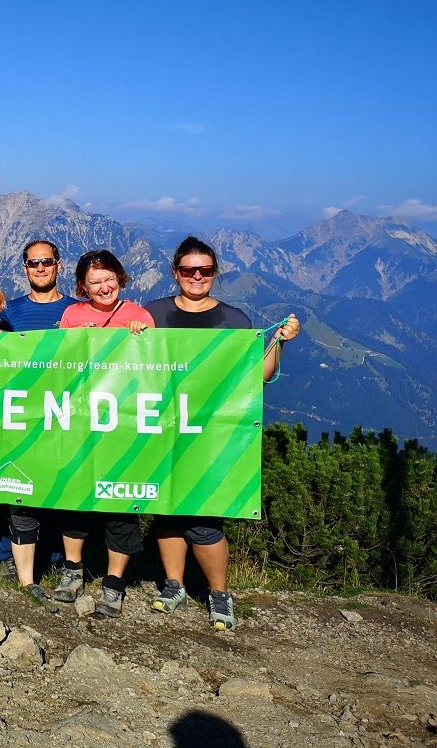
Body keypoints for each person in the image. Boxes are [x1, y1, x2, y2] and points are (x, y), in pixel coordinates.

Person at [145, 236, 301, 630]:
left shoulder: (234, 320)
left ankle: (219, 593)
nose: (197, 276)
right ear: (175, 273)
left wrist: (277, 344)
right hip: (161, 427)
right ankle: (174, 585)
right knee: (166, 510)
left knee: (204, 519)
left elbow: (254, 379)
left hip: (211, 433)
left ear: (214, 273)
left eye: (205, 270)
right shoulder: (152, 313)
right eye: (188, 270)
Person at [54, 249, 156, 617]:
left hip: (123, 426)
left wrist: (141, 338)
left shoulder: (138, 315)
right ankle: (72, 570)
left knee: (120, 504)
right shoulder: (72, 315)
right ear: (82, 286)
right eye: (94, 282)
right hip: (81, 420)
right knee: (75, 495)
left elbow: (154, 370)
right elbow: (59, 366)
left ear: (121, 278)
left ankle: (114, 584)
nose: (103, 287)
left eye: (109, 278)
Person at [0, 239, 77, 596]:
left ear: (59, 265)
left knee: (61, 487)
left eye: (46, 262)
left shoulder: (78, 311)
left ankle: (58, 558)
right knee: (18, 487)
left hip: (67, 415)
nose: (40, 268)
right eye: (32, 263)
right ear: (24, 268)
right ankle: (10, 554)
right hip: (24, 417)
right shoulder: (10, 313)